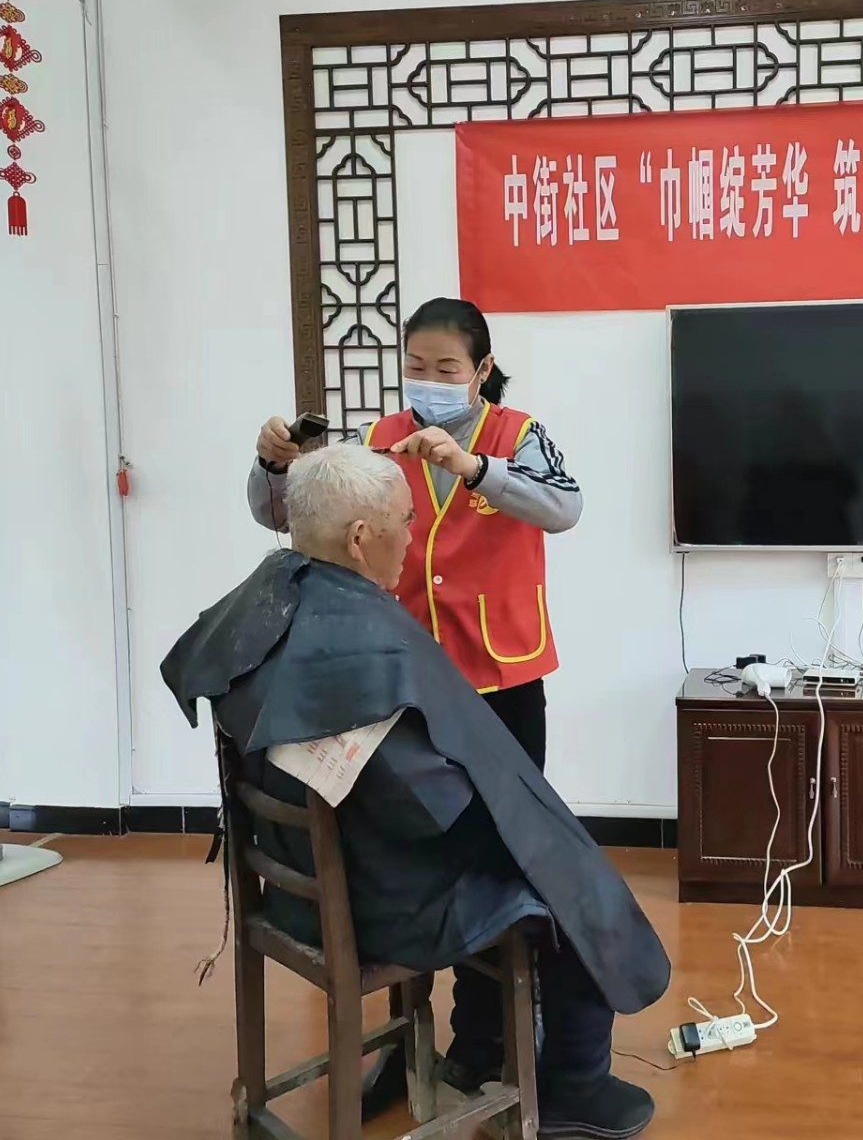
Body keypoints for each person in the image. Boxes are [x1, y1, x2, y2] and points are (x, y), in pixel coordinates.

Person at [163, 445, 665, 1139]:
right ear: (359, 538)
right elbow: (433, 809)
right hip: (374, 903)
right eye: (405, 521)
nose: (412, 535)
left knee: (538, 846)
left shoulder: (263, 604)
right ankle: (574, 1086)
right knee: (563, 877)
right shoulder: (363, 650)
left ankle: (479, 1048)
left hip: (291, 885)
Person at [249, 297, 578, 775]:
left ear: (483, 369)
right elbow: (284, 514)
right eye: (417, 367)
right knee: (420, 805)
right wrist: (273, 465)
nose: (430, 381)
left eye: (447, 370)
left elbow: (564, 507)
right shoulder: (375, 439)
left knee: (513, 803)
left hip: (502, 668)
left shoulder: (519, 434)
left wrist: (474, 467)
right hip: (402, 667)